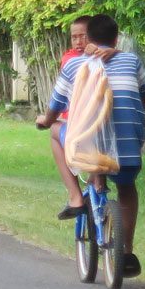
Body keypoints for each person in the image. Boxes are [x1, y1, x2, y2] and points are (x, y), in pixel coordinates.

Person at [36, 14, 145, 277]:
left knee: (56, 134)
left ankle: (76, 197)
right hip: (128, 147)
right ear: (116, 38)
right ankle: (126, 251)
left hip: (89, 148)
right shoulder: (132, 61)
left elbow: (54, 110)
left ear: (87, 39)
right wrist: (141, 121)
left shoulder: (74, 65)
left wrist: (44, 120)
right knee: (126, 187)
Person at [47, 16, 117, 210]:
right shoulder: (70, 59)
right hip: (79, 120)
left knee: (55, 132)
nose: (79, 42)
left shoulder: (105, 56)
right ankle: (86, 187)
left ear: (93, 37)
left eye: (83, 37)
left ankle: (76, 195)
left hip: (91, 123)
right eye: (74, 38)